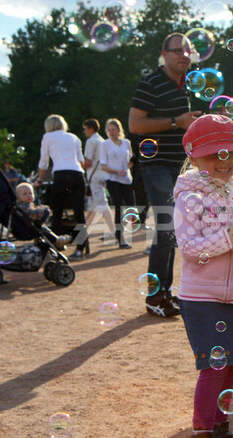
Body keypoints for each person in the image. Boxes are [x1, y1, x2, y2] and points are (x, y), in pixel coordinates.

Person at [173, 114, 233, 438]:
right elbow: (190, 247)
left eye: (230, 154)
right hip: (200, 296)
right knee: (213, 367)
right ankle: (200, 437)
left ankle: (221, 426)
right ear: (193, 158)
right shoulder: (190, 196)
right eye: (213, 155)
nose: (224, 162)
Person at [128, 32, 201, 317]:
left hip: (182, 166)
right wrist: (175, 122)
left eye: (188, 51)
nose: (184, 55)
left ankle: (166, 292)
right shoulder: (150, 83)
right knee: (166, 226)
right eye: (177, 51)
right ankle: (155, 297)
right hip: (156, 164)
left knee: (176, 229)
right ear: (165, 54)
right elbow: (135, 124)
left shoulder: (191, 84)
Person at [36, 114, 88, 260]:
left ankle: (56, 247)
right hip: (78, 175)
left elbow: (43, 162)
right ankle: (80, 248)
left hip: (61, 175)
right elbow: (81, 160)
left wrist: (40, 179)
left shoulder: (47, 137)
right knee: (79, 214)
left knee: (57, 212)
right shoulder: (74, 137)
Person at [100, 118, 133, 249]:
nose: (111, 132)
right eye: (109, 130)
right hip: (113, 180)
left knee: (131, 206)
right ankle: (120, 237)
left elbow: (130, 158)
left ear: (119, 130)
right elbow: (103, 165)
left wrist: (129, 165)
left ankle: (121, 230)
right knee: (119, 206)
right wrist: (117, 171)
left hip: (126, 179)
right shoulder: (105, 144)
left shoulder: (126, 143)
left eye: (113, 129)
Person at [82, 119, 116, 241]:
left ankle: (113, 230)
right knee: (92, 205)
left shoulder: (91, 141)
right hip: (103, 174)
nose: (84, 131)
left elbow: (88, 162)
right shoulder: (102, 141)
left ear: (91, 129)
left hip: (95, 176)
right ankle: (83, 231)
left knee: (101, 203)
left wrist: (79, 164)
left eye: (85, 129)